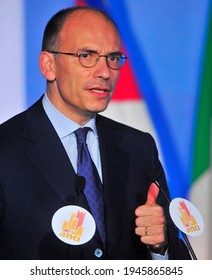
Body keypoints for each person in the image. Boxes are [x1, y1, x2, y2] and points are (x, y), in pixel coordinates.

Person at [0, 6, 191, 260]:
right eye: (87, 55)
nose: (105, 72)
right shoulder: (5, 150)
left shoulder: (138, 148)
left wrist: (161, 246)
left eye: (113, 58)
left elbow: (179, 264)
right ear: (48, 65)